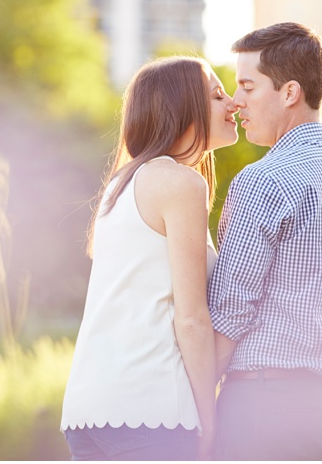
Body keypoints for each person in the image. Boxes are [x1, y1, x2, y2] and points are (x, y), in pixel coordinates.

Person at [207, 22, 322, 460]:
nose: (236, 101)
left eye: (247, 86)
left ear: (289, 93)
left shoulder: (262, 180)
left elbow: (229, 312)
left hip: (262, 412)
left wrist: (194, 402)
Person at [60, 56, 239, 460]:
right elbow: (191, 319)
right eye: (216, 94)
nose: (233, 103)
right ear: (183, 109)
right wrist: (208, 419)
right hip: (153, 411)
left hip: (87, 411)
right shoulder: (180, 184)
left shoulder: (119, 187)